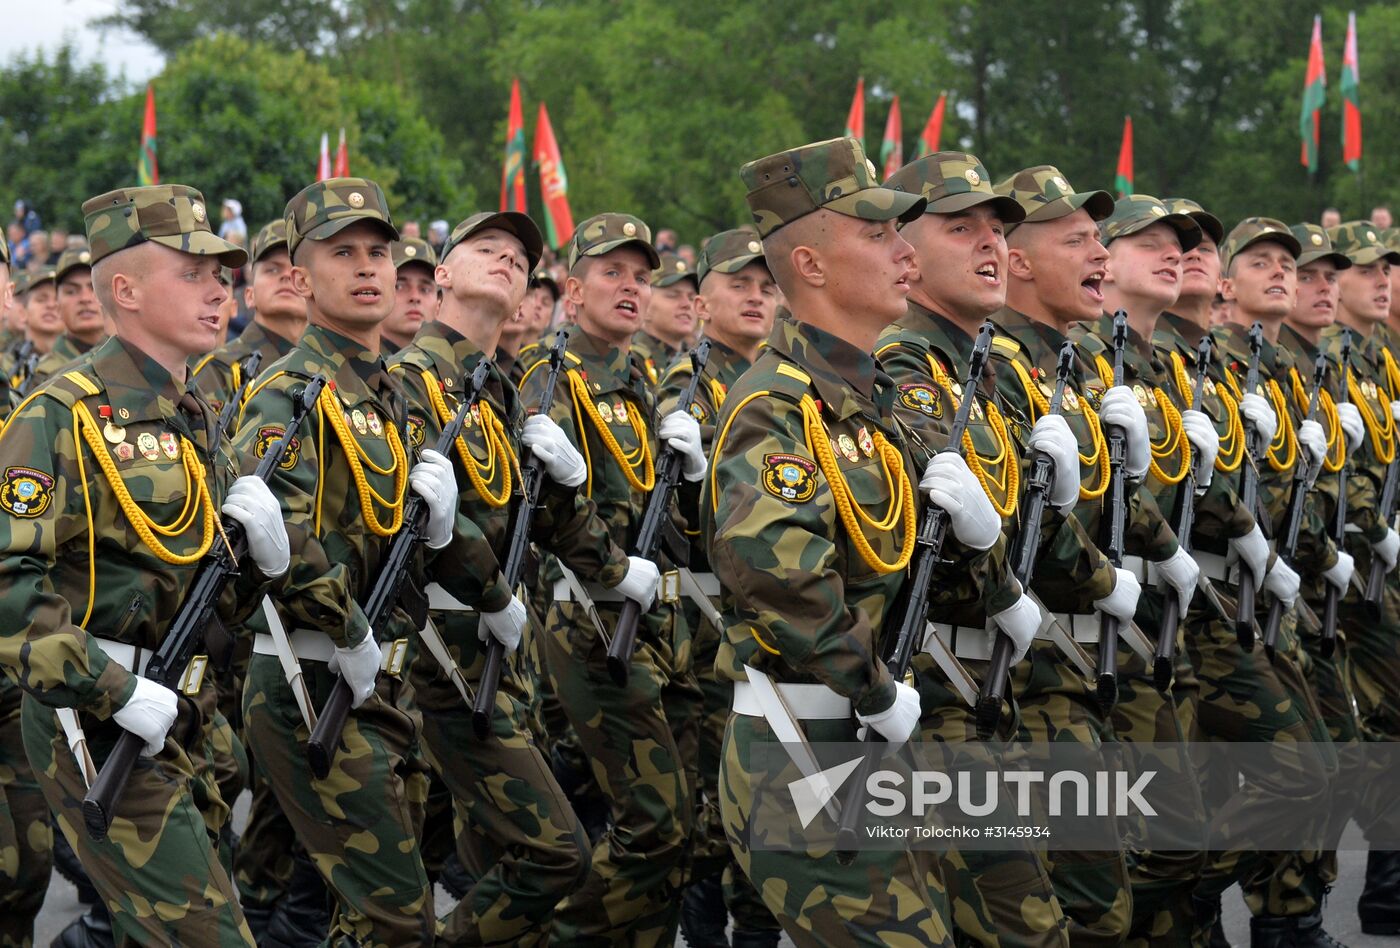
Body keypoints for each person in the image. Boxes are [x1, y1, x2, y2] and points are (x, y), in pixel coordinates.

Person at [0, 183, 283, 946]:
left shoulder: (190, 415)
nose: (219, 288)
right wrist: (114, 689)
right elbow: (11, 588)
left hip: (191, 719)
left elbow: (214, 591)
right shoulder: (57, 415)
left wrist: (263, 559)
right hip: (95, 723)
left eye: (222, 274)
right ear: (124, 289)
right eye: (192, 272)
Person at [710, 135, 972, 946]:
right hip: (805, 752)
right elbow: (781, 579)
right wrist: (876, 687)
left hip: (874, 742)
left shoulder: (873, 398)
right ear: (813, 267)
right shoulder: (775, 408)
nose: (905, 253)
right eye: (878, 234)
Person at [233, 177, 450, 946]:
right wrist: (352, 630)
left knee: (372, 915)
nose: (368, 268)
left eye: (379, 253)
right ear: (299, 277)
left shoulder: (384, 393)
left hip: (378, 676)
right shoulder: (286, 394)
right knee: (396, 917)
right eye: (343, 253)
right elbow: (275, 538)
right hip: (312, 673)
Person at [877, 151, 1073, 948]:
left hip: (986, 684)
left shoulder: (982, 368)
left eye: (997, 228)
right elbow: (944, 526)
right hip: (933, 690)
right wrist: (1001, 583)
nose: (990, 245)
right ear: (905, 250)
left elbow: (1027, 521)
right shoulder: (905, 364)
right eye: (962, 229)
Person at [388, 209, 598, 944]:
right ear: (441, 273)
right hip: (441, 652)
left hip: (503, 650)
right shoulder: (408, 380)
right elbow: (413, 524)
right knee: (553, 851)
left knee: (493, 856)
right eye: (488, 249)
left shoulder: (497, 389)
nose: (510, 261)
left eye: (521, 258)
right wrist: (490, 586)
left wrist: (567, 485)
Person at [519, 210, 704, 943]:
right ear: (573, 289)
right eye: (611, 273)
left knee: (677, 827)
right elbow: (544, 509)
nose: (630, 287)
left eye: (640, 276)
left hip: (657, 614)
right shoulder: (550, 375)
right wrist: (611, 564)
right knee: (654, 823)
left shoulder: (648, 378)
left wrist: (691, 479)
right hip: (590, 616)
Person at [1207, 218, 1350, 947]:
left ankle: (1293, 912)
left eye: (1287, 265)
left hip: (1281, 590)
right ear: (1226, 285)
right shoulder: (1220, 365)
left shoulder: (1285, 368)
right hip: (1221, 598)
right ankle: (1256, 905)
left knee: (1330, 755)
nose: (1285, 275)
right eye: (1260, 262)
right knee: (1298, 766)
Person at [656, 228, 784, 948]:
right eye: (741, 284)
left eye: (767, 286)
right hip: (709, 624)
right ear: (702, 302)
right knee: (718, 801)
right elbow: (672, 516)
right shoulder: (688, 388)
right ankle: (709, 923)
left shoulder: (777, 380)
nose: (757, 297)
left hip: (768, 619)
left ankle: (755, 927)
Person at [1320, 221, 1400, 935]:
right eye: (1369, 270)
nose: (1383, 281)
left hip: (1375, 562)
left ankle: (1386, 875)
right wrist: (1375, 534)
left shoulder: (1375, 359)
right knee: (1362, 733)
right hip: (1347, 573)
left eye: (1387, 271)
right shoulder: (1336, 360)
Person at [192, 219, 307, 416]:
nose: (287, 276)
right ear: (249, 295)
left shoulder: (330, 366)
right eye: (273, 269)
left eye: (298, 272)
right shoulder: (223, 369)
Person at [25, 246, 107, 393]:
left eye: (93, 287)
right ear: (57, 305)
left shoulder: (136, 358)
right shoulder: (42, 376)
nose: (85, 299)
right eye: (71, 291)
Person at [633, 252, 698, 385]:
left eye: (691, 298)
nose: (687, 304)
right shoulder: (633, 361)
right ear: (646, 304)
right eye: (673, 295)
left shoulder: (699, 360)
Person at [381, 236, 439, 355]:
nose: (415, 297)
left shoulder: (445, 366)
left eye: (425, 289)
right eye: (399, 286)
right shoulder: (355, 363)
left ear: (439, 302)